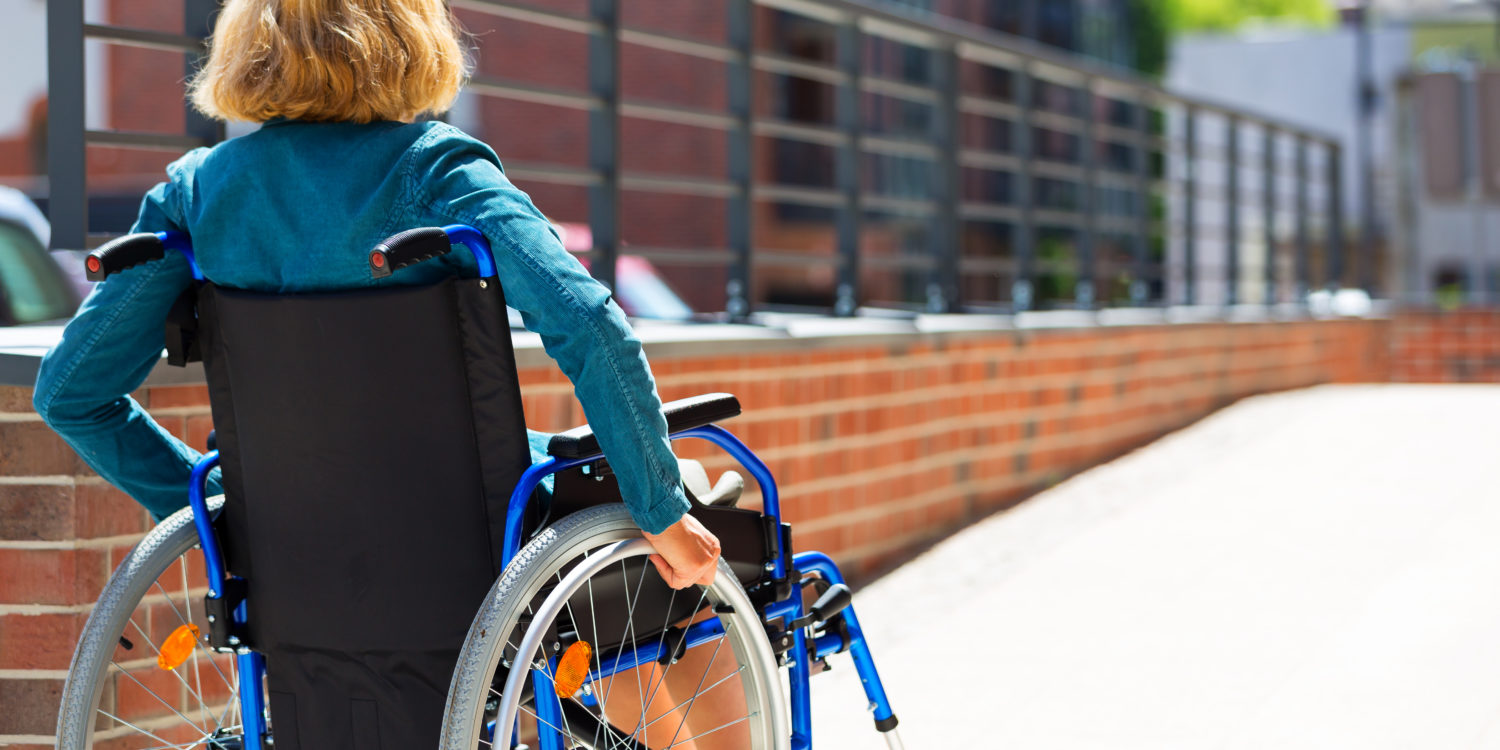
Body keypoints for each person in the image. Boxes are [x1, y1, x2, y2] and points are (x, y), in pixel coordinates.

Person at [32, 0, 732, 746]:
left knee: (618, 543)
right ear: (405, 40)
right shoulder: (438, 170)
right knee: (669, 534)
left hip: (293, 556)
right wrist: (662, 509)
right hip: (476, 546)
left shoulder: (199, 193)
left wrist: (230, 520)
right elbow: (590, 324)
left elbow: (71, 391)